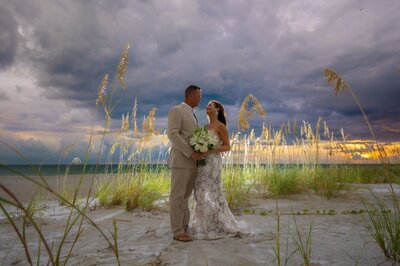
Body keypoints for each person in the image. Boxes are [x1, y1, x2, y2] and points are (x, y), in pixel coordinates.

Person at [189, 100, 243, 240]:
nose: (207, 107)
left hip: (213, 163)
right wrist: (199, 149)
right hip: (202, 163)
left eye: (210, 105)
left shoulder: (220, 126)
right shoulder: (205, 127)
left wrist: (211, 149)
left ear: (217, 110)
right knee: (200, 191)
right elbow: (199, 144)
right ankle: (203, 223)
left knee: (213, 191)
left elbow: (227, 146)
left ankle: (219, 223)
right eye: (207, 105)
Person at [167, 85, 202, 242]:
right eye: (198, 96)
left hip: (192, 162)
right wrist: (190, 152)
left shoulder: (193, 114)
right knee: (177, 197)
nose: (200, 99)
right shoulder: (177, 110)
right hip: (181, 160)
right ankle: (177, 231)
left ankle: (184, 227)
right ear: (190, 96)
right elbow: (173, 134)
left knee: (186, 197)